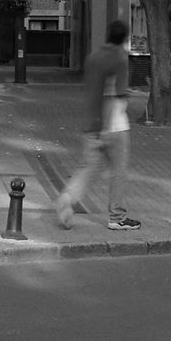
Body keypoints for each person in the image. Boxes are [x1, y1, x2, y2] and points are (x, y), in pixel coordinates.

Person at [54, 17, 139, 230]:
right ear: (125, 38)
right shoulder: (120, 58)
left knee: (87, 167)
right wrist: (107, 129)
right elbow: (114, 94)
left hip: (90, 124)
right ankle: (117, 217)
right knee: (119, 170)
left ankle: (68, 197)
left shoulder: (93, 58)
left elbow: (93, 90)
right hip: (115, 127)